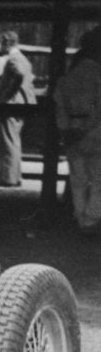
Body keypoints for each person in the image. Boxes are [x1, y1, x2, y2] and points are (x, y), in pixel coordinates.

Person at [54, 28, 101, 236]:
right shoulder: (98, 75)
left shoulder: (68, 77)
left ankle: (81, 218)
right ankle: (92, 219)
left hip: (72, 129)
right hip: (95, 130)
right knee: (98, 179)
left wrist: (67, 128)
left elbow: (59, 105)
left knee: (78, 178)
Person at [0, 30, 36, 187]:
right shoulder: (24, 59)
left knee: (7, 142)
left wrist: (6, 96)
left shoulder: (13, 59)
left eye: (1, 42)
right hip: (21, 104)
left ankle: (8, 178)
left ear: (7, 42)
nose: (0, 46)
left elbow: (19, 75)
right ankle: (15, 177)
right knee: (14, 141)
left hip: (11, 104)